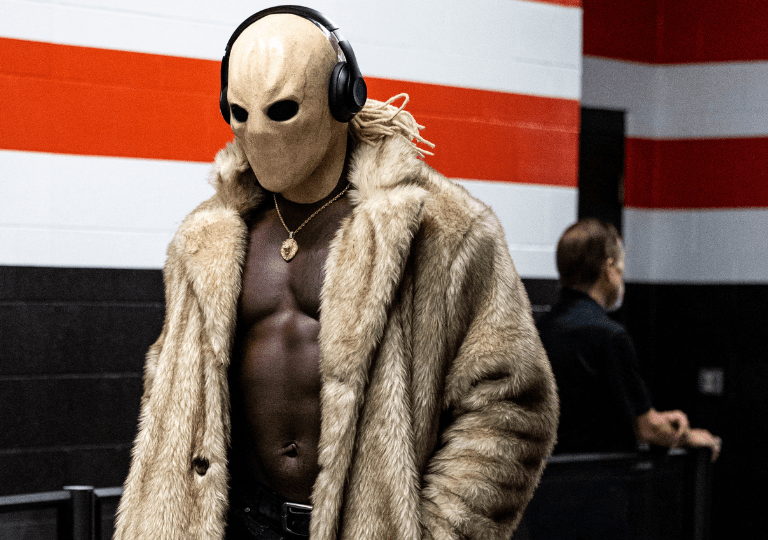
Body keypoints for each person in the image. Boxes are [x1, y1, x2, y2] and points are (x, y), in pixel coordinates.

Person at [114, 6, 558, 540]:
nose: (258, 133)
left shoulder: (441, 231)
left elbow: (512, 402)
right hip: (234, 523)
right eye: (239, 112)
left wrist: (439, 530)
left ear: (343, 96)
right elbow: (172, 395)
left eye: (282, 110)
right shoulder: (207, 239)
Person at [525, 218, 720, 539]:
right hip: (597, 499)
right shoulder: (609, 336)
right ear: (609, 268)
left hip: (543, 498)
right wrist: (689, 437)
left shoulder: (536, 331)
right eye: (622, 266)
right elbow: (647, 428)